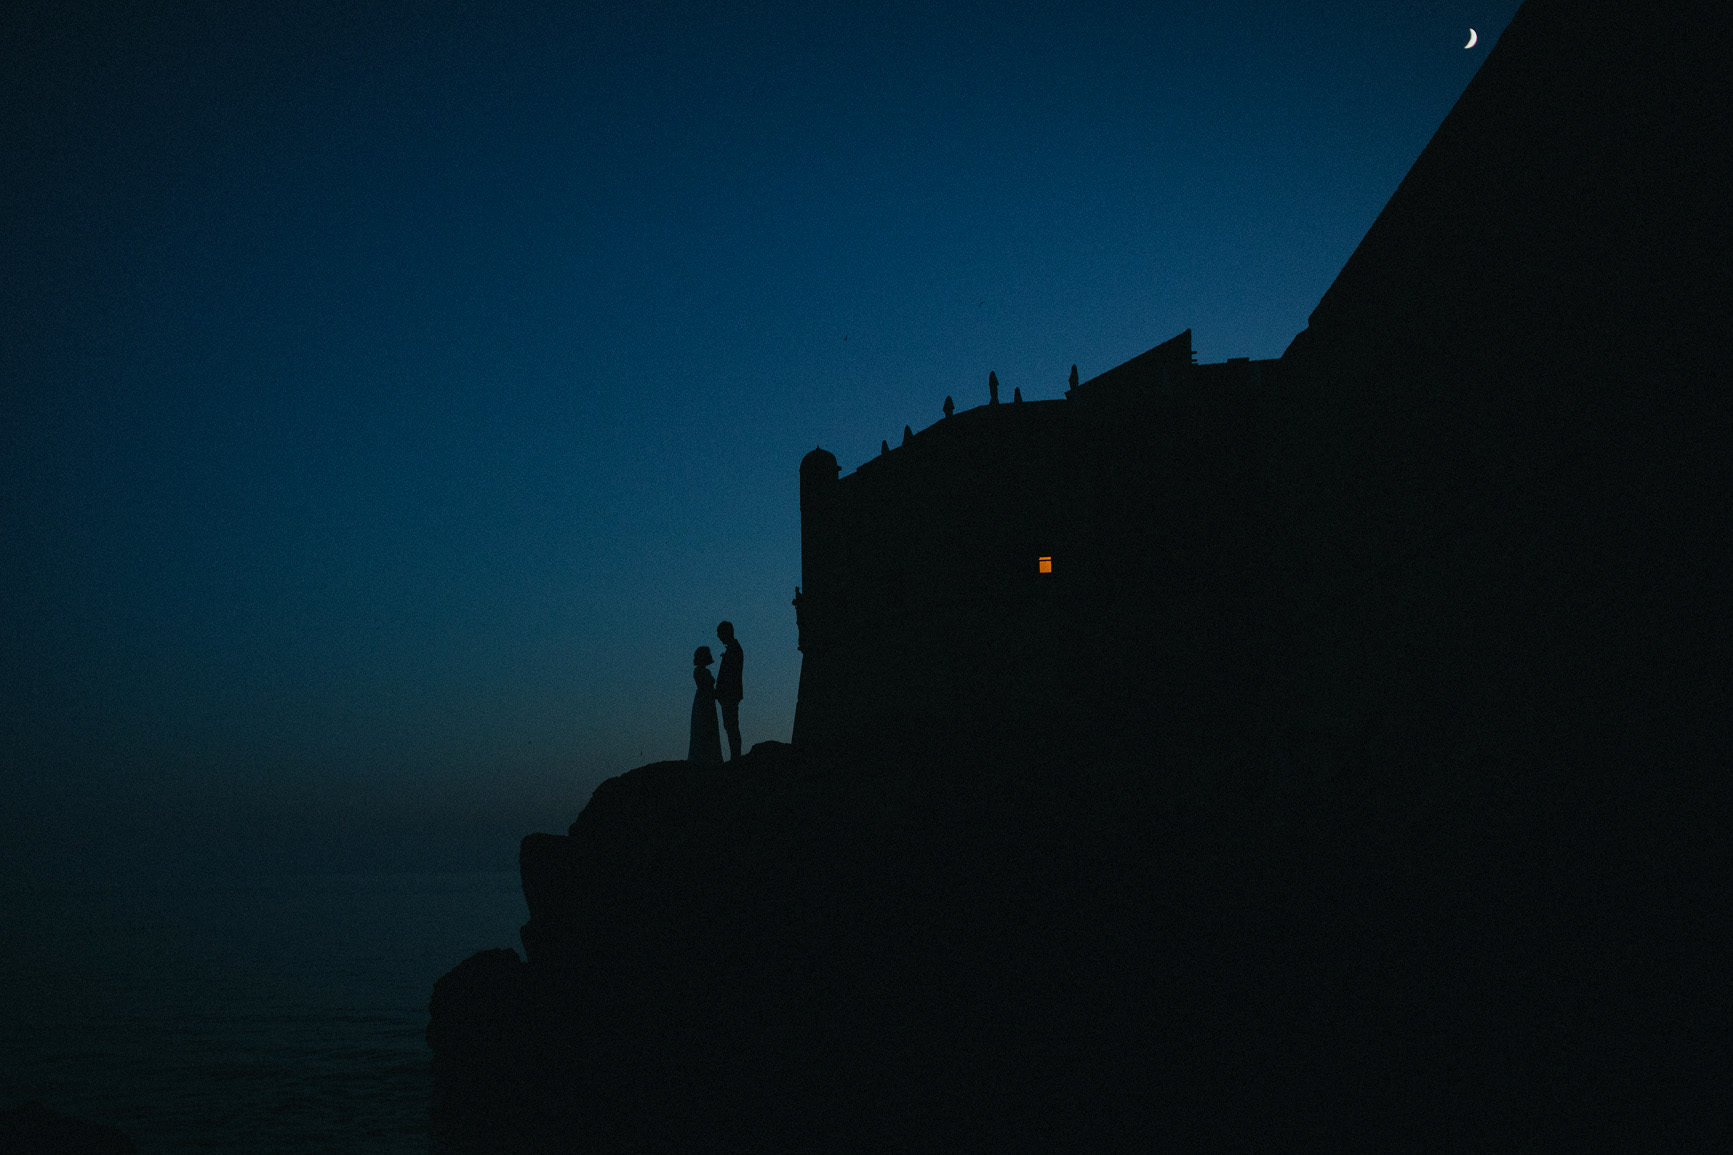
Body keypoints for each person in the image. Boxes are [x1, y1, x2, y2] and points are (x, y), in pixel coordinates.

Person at [715, 621, 744, 761]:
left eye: (720, 634)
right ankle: (735, 756)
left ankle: (735, 757)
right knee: (730, 726)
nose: (719, 637)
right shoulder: (733, 648)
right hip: (729, 694)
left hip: (730, 694)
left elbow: (730, 674)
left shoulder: (734, 650)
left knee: (731, 726)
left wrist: (722, 690)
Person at [688, 646, 722, 765]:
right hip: (705, 701)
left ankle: (706, 756)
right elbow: (706, 686)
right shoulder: (701, 671)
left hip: (705, 700)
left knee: (705, 727)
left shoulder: (700, 671)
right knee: (705, 726)